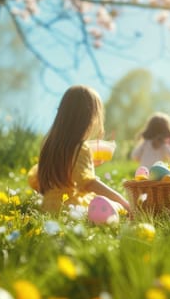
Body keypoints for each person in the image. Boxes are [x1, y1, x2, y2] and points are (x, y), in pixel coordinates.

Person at [37, 85, 131, 214]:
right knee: (115, 206)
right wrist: (124, 203)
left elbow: (37, 178)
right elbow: (89, 184)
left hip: (48, 206)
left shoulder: (49, 145)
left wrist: (89, 164)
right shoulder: (81, 148)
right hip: (72, 208)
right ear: (89, 118)